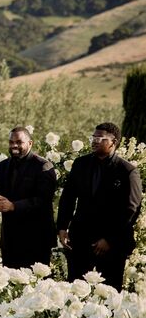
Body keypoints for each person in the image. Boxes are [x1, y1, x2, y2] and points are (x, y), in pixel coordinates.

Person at [57, 122, 142, 290]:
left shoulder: (127, 171)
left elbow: (131, 210)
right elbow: (68, 197)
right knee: (75, 290)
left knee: (109, 293)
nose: (94, 141)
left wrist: (110, 239)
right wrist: (62, 227)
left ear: (113, 142)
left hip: (111, 245)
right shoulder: (80, 164)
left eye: (100, 138)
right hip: (80, 239)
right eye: (93, 137)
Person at [0, 127, 57, 269]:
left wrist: (13, 206)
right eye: (11, 142)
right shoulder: (2, 167)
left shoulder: (43, 166)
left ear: (30, 143)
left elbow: (44, 200)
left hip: (36, 238)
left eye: (19, 142)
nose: (14, 145)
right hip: (10, 238)